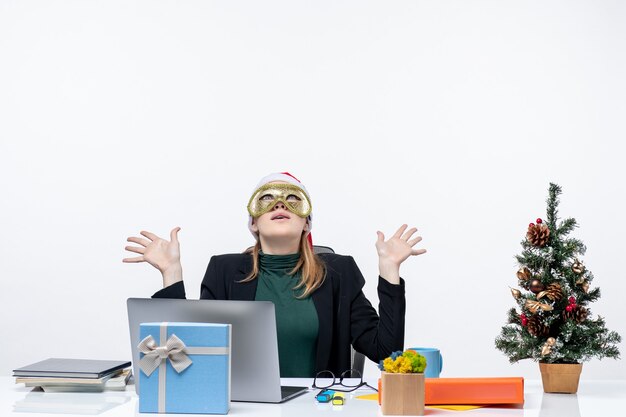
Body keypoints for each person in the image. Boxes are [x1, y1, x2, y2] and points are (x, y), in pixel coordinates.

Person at [123, 172, 426, 377]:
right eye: (267, 199)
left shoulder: (338, 273)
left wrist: (390, 272)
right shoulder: (224, 270)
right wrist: (171, 273)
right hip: (245, 409)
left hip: (314, 408)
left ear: (307, 224)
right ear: (253, 223)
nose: (280, 204)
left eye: (293, 200)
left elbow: (386, 353)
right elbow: (187, 353)